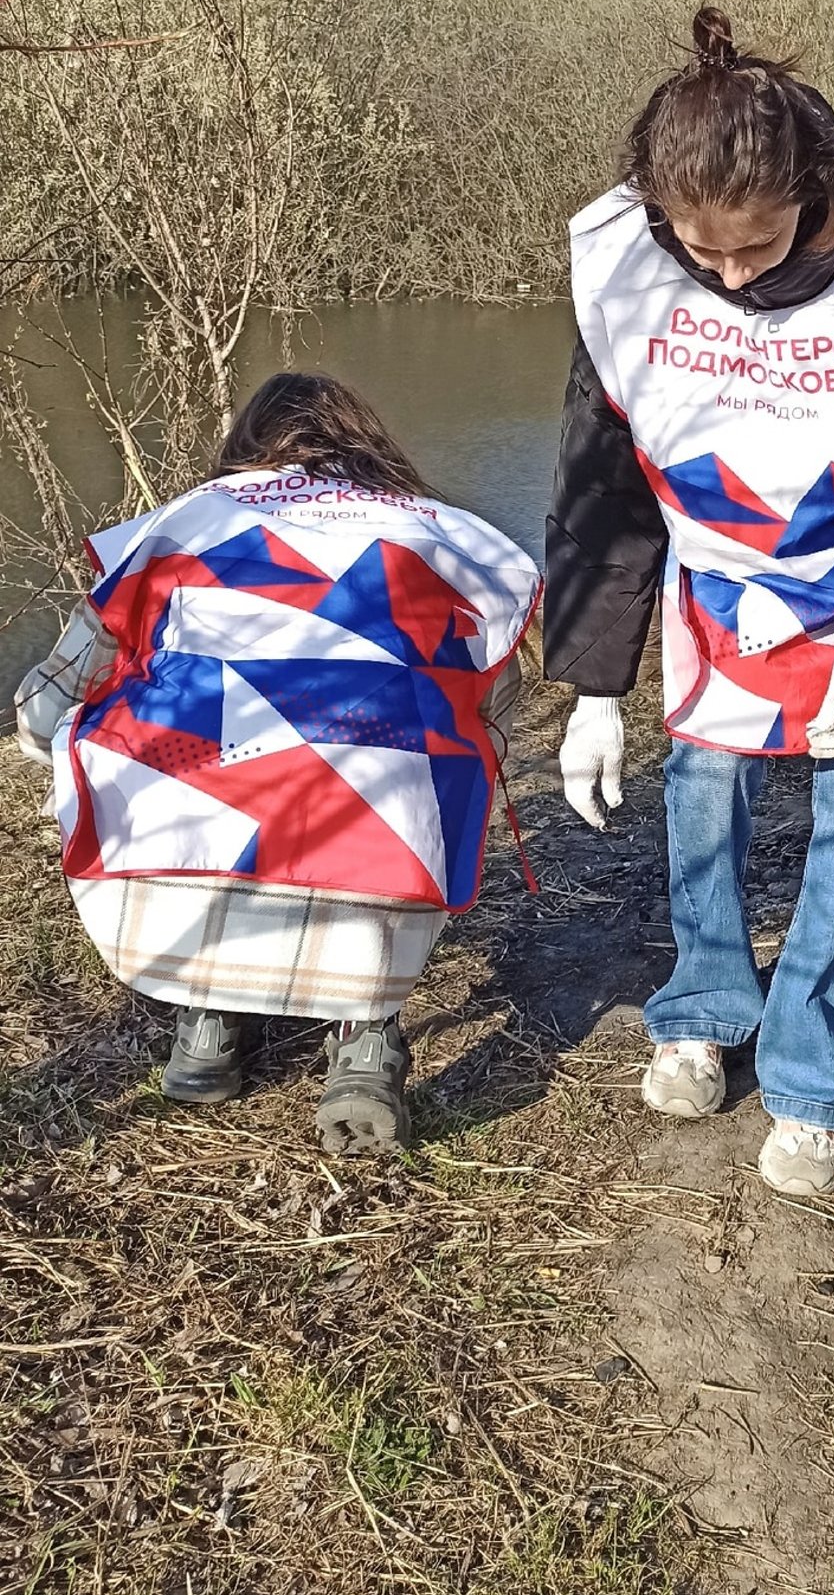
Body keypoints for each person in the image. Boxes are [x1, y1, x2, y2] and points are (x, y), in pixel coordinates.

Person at [544, 6, 834, 1202]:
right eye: (702, 254)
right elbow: (602, 485)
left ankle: (812, 1078)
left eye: (756, 248)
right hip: (714, 586)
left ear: (812, 194)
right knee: (702, 794)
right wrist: (594, 684)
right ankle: (704, 1005)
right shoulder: (634, 264)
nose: (731, 277)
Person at [10, 373, 538, 1150]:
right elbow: (495, 701)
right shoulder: (431, 534)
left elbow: (45, 705)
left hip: (179, 846)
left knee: (181, 785)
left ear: (244, 446)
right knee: (417, 779)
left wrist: (59, 741)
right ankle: (365, 1042)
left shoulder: (181, 526)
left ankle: (208, 1023)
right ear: (368, 444)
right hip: (381, 844)